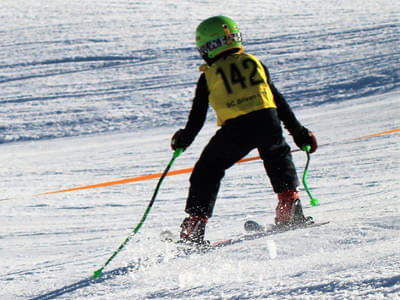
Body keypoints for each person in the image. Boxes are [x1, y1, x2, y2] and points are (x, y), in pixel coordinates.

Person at [170, 16, 318, 244]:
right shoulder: (254, 63)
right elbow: (277, 101)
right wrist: (299, 132)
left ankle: (194, 227)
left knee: (207, 170)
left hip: (238, 126)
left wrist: (183, 140)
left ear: (207, 47)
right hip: (268, 120)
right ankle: (289, 204)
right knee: (277, 155)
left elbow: (197, 118)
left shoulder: (209, 75)